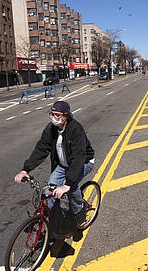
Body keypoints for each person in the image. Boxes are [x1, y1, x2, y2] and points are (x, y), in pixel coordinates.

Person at [14, 100, 95, 238]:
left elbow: (78, 158)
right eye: (52, 114)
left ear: (66, 116)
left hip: (83, 162)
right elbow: (41, 149)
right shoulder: (51, 129)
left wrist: (67, 184)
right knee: (50, 190)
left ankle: (79, 213)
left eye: (57, 115)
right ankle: (55, 222)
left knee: (72, 186)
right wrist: (25, 170)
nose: (54, 117)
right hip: (63, 165)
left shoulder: (76, 129)